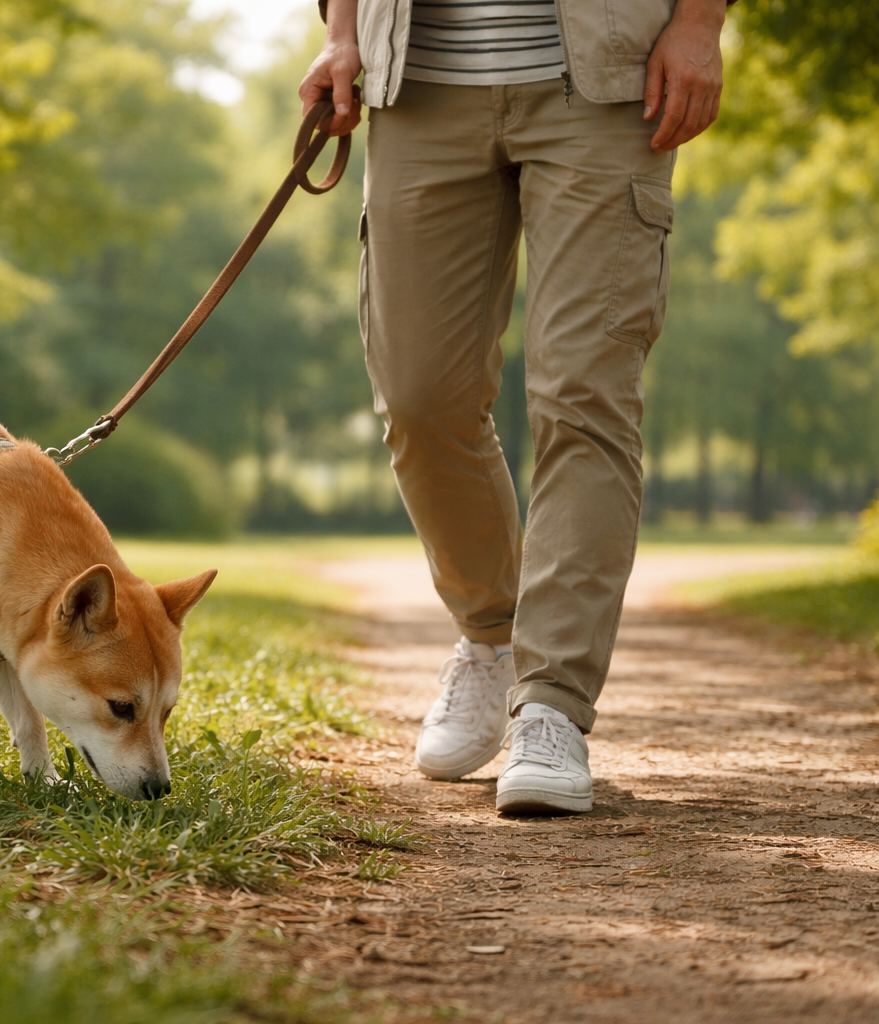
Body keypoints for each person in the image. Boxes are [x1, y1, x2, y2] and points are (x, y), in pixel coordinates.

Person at [300, 0, 726, 814]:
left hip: (607, 77)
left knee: (583, 396)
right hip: (418, 79)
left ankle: (551, 703)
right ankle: (492, 639)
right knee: (420, 398)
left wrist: (701, 19)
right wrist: (342, 32)